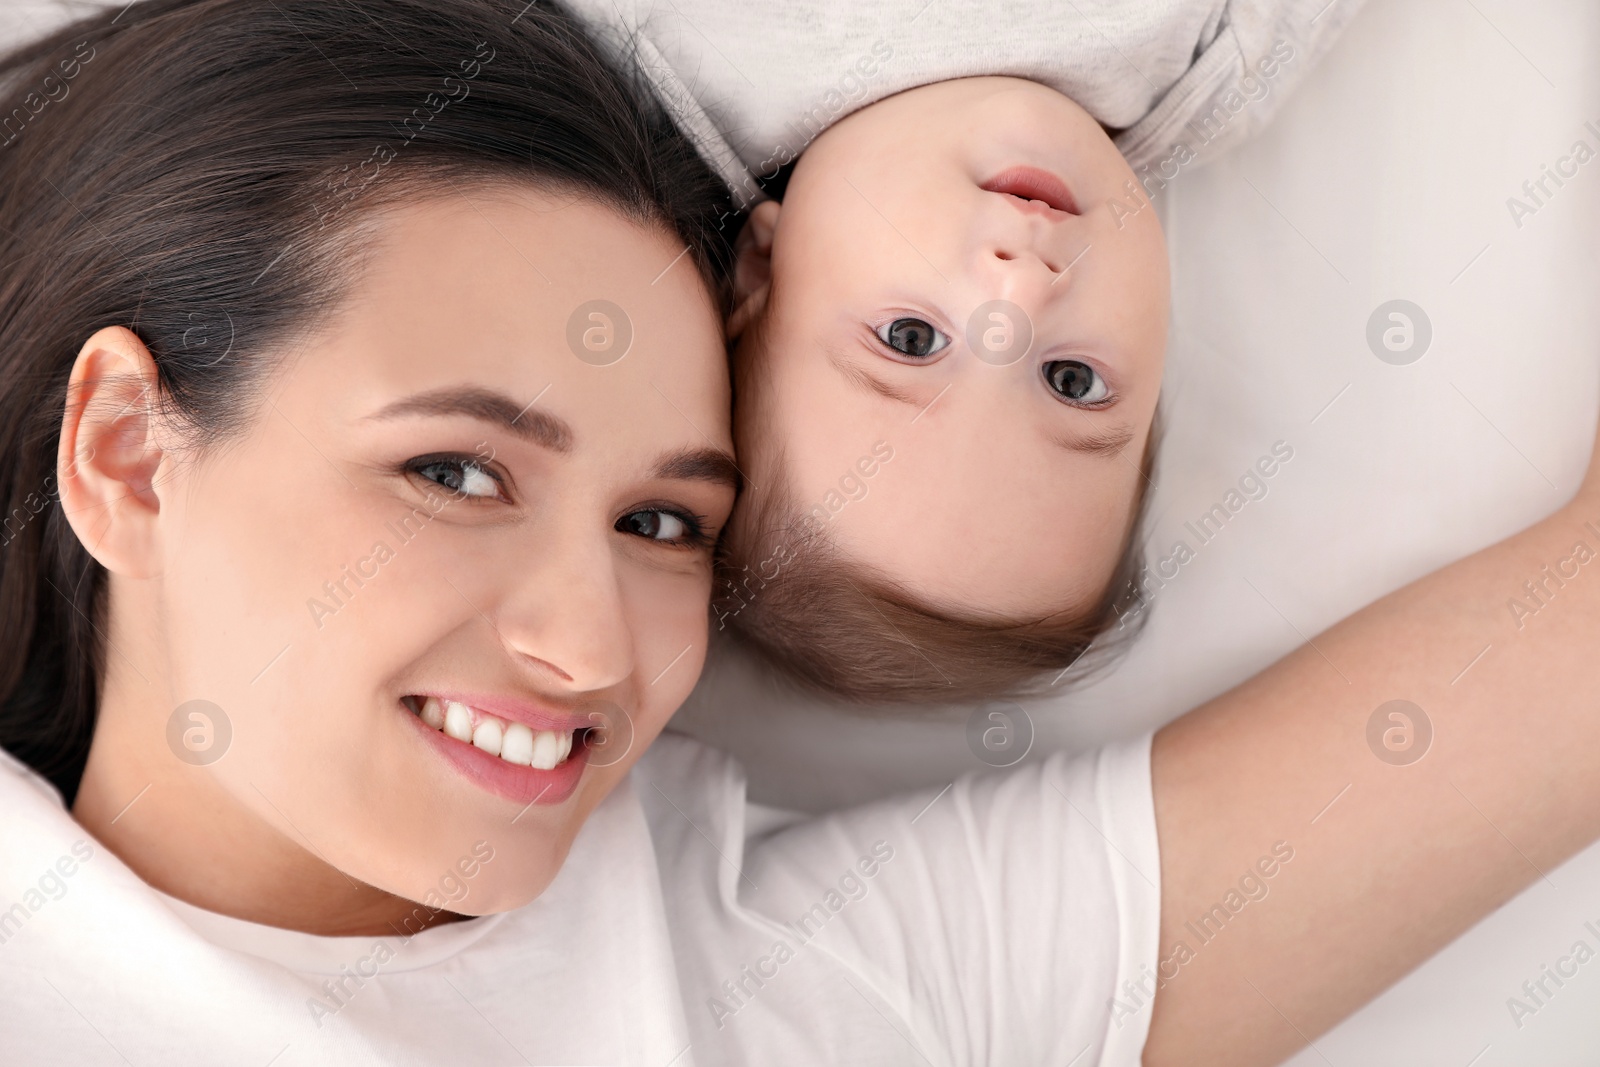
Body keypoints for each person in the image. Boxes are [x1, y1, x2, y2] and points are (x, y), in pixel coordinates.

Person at [4, 3, 1600, 1067]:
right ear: (132, 454)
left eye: (661, 519)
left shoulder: (815, 989)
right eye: (460, 473)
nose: (588, 643)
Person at [563, 0, 1366, 703]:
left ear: (763, 267)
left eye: (911, 339)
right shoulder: (1219, 57)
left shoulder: (658, 68)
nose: (1019, 295)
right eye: (1071, 380)